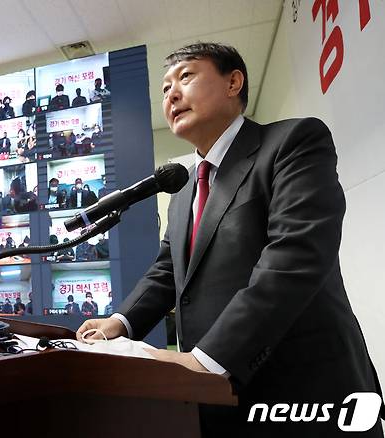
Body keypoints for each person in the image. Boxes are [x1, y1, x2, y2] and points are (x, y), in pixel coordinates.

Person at [76, 42, 384, 437]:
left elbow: (294, 258)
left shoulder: (292, 142)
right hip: (216, 399)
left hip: (304, 391)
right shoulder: (184, 191)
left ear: (233, 82)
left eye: (185, 76)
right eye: (165, 88)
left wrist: (208, 358)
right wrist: (120, 321)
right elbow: (168, 271)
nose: (171, 93)